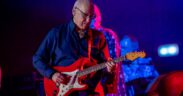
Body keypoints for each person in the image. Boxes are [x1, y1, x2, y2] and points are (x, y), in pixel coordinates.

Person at [33, 0, 116, 95]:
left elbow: (105, 71)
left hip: (89, 92)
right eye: (85, 15)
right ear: (74, 11)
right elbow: (37, 59)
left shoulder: (98, 37)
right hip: (60, 90)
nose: (88, 20)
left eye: (91, 16)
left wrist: (110, 71)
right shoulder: (56, 33)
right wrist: (52, 75)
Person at [90, 4, 126, 96]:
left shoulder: (108, 35)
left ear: (98, 17)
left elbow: (114, 64)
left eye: (92, 16)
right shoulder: (79, 38)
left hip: (106, 89)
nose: (89, 20)